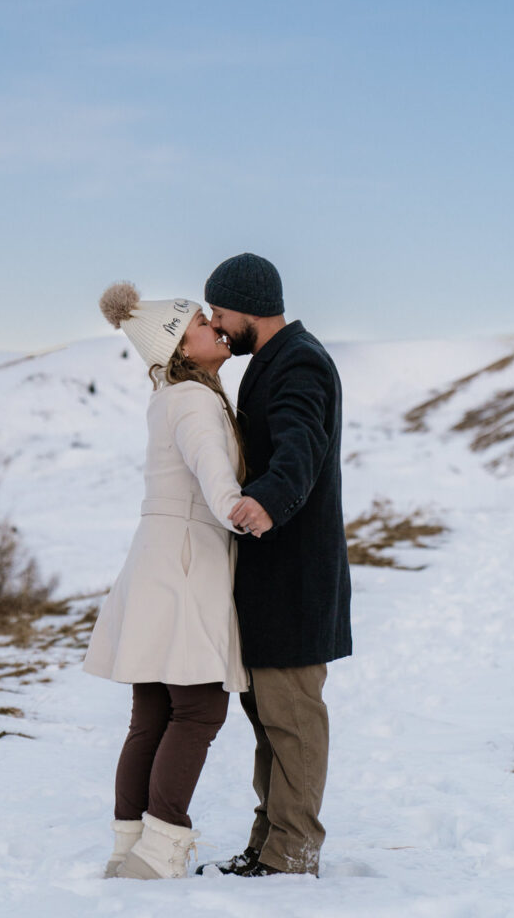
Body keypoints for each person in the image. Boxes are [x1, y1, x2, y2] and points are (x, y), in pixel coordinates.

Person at [83, 281, 260, 881]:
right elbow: (210, 464)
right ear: (181, 351)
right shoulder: (192, 400)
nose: (216, 327)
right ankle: (159, 852)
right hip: (186, 561)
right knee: (199, 709)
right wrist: (241, 510)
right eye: (202, 327)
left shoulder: (169, 394)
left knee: (153, 712)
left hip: (157, 557)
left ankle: (127, 848)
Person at [196, 252, 352, 878]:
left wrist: (266, 499)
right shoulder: (272, 361)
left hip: (295, 580)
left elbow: (300, 446)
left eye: (220, 311)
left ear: (249, 306)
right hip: (270, 582)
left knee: (292, 722)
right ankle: (269, 844)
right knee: (269, 724)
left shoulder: (299, 361)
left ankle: (293, 853)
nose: (216, 323)